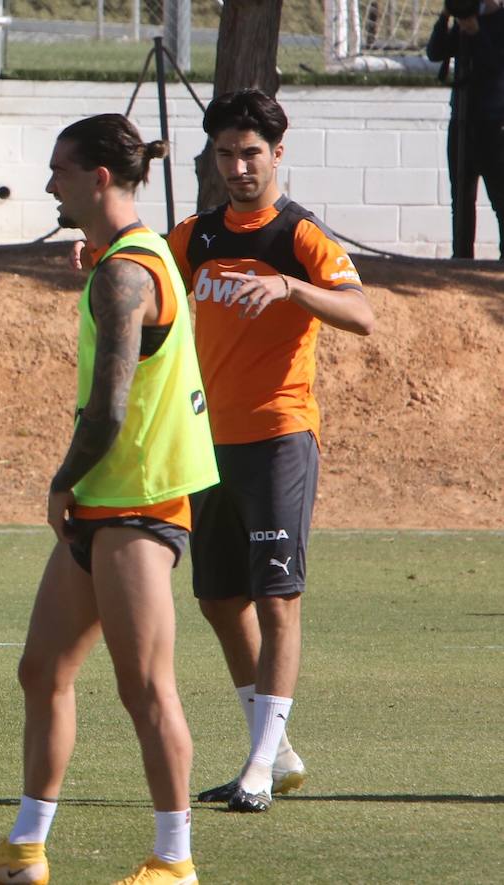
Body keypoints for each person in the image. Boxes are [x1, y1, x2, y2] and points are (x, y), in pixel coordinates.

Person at [0, 114, 217, 885]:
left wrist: (61, 478)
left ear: (99, 178)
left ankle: (175, 860)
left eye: (60, 170)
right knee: (43, 670)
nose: (48, 183)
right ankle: (26, 850)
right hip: (107, 502)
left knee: (146, 687)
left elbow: (110, 408)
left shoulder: (126, 273)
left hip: (137, 502)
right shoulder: (122, 258)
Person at [168, 89, 375, 812]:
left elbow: (362, 313)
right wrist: (97, 256)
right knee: (220, 599)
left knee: (276, 597)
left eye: (251, 152)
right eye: (225, 153)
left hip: (280, 435)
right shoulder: (193, 237)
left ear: (277, 154)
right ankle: (277, 752)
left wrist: (291, 287)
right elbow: (149, 282)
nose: (238, 166)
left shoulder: (300, 236)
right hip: (206, 441)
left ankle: (258, 764)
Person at [427, 0, 504, 259]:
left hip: (494, 123)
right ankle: (461, 259)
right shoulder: (464, 19)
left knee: (500, 197)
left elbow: (494, 64)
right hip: (462, 120)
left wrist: (477, 33)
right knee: (461, 198)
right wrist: (446, 17)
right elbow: (435, 52)